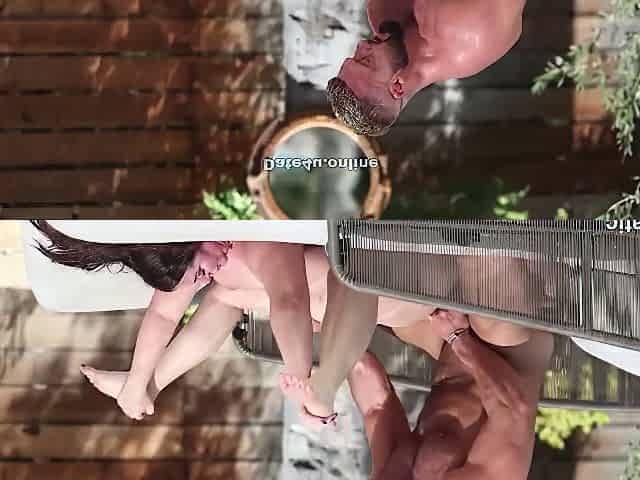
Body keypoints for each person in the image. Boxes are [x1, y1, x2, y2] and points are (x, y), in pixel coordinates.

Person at [347, 309, 553, 479]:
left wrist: (339, 356)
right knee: (488, 304)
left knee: (372, 305)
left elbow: (376, 408)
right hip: (509, 350)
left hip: (446, 344)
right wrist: (459, 339)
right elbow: (514, 409)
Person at [326, 0, 527, 135]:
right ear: (397, 86)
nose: (362, 45)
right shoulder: (464, 31)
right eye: (366, 61)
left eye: (354, 56)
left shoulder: (383, 15)